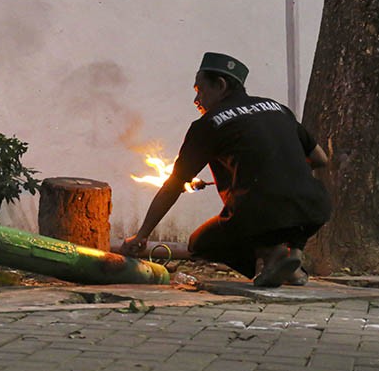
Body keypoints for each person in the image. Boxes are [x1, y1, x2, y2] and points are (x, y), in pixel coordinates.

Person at [119, 52, 331, 287]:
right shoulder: (277, 108)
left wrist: (142, 235)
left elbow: (173, 186)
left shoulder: (208, 124)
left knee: (200, 243)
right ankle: (290, 262)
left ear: (220, 85)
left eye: (200, 89)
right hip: (314, 209)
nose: (197, 99)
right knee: (280, 216)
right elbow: (320, 158)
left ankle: (272, 260)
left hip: (263, 216)